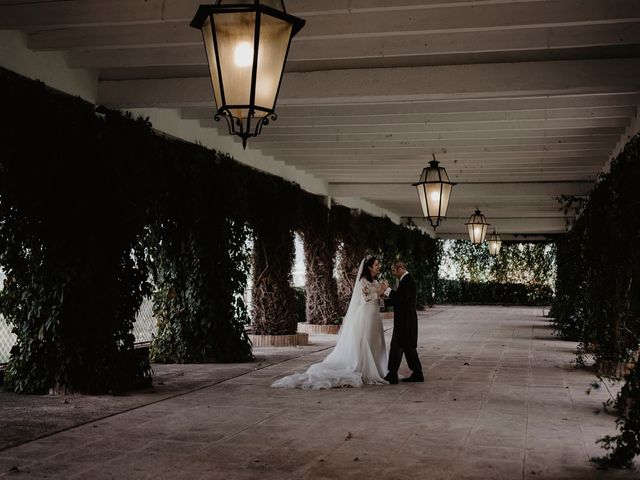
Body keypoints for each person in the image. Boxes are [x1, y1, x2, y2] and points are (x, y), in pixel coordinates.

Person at [271, 256, 388, 389]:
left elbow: (379, 299)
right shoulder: (363, 280)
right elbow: (367, 297)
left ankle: (377, 369)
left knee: (375, 340)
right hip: (366, 315)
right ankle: (365, 369)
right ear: (369, 267)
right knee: (366, 340)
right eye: (376, 264)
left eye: (378, 264)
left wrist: (383, 292)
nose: (378, 266)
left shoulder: (375, 281)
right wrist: (381, 291)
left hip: (374, 315)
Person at [382, 261, 424, 384]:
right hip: (406, 320)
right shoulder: (406, 280)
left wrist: (387, 290)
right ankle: (417, 372)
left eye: (394, 270)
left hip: (405, 320)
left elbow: (401, 299)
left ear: (400, 268)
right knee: (408, 347)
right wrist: (383, 302)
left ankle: (393, 374)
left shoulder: (407, 281)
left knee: (397, 346)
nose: (393, 273)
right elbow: (400, 299)